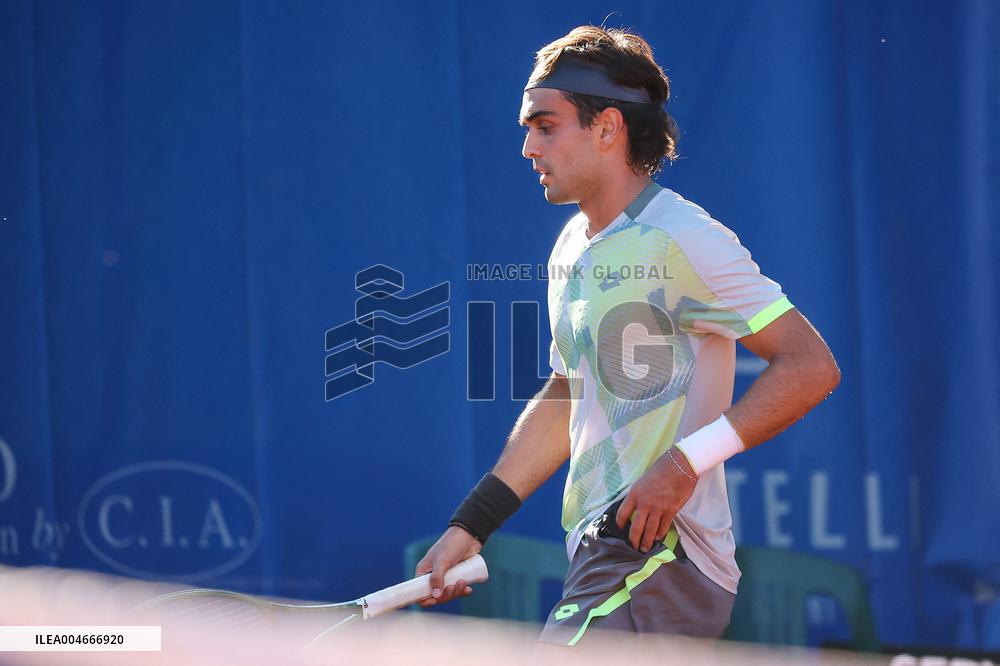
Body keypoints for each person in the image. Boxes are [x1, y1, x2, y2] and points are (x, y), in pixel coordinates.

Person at [415, 25, 840, 647]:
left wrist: (683, 462)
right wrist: (471, 526)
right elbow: (565, 399)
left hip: (661, 554)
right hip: (608, 556)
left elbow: (810, 366)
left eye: (546, 125)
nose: (529, 147)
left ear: (608, 128)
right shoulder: (571, 248)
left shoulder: (686, 238)